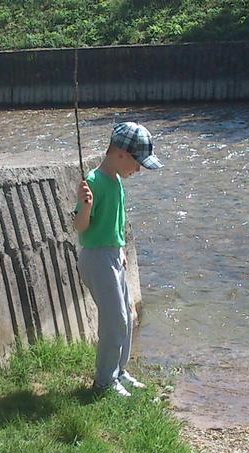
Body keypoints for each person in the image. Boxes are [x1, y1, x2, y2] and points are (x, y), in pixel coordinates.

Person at [74, 121, 162, 397]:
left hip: (113, 254)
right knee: (114, 320)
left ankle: (118, 371)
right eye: (137, 163)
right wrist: (84, 206)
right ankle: (104, 381)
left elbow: (117, 222)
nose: (138, 169)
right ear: (121, 153)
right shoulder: (93, 182)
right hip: (97, 258)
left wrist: (121, 248)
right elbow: (80, 227)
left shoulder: (116, 182)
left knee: (128, 316)